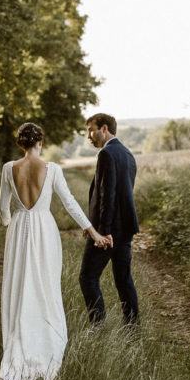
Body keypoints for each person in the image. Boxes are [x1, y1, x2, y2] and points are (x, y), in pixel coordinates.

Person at [0, 122, 111, 380]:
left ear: (20, 144)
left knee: (19, 285)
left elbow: (2, 208)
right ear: (41, 142)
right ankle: (44, 341)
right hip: (44, 230)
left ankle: (19, 339)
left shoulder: (7, 169)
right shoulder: (52, 169)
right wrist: (93, 233)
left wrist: (11, 224)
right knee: (44, 286)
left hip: (19, 229)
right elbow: (70, 202)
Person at [79, 113, 141, 327]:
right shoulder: (128, 154)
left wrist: (102, 231)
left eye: (91, 129)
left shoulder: (106, 154)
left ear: (104, 128)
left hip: (109, 232)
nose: (89, 135)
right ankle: (132, 329)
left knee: (87, 278)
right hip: (125, 229)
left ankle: (98, 327)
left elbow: (108, 195)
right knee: (124, 281)